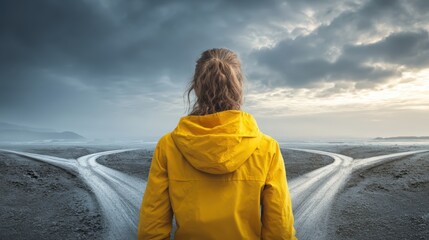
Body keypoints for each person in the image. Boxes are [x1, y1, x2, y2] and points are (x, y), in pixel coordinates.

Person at [138, 48, 297, 239]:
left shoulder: (169, 146)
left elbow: (151, 228)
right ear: (239, 88)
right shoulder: (266, 147)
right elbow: (280, 229)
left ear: (196, 87)